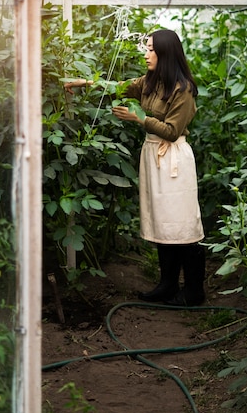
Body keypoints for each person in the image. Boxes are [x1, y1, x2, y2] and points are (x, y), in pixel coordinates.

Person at [65, 28, 205, 306]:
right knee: (163, 222)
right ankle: (167, 285)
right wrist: (84, 82)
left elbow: (173, 130)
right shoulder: (150, 82)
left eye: (151, 49)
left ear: (165, 53)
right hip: (154, 157)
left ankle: (193, 292)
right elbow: (117, 86)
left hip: (173, 158)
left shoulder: (183, 89)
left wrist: (138, 117)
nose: (146, 53)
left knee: (182, 224)